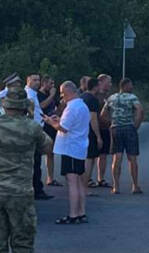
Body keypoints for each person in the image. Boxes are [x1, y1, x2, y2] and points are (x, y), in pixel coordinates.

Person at [0, 81, 52, 252]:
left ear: (4, 104)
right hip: (21, 192)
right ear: (24, 106)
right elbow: (48, 147)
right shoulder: (32, 127)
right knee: (23, 241)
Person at [0, 73, 53, 201]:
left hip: (33, 129)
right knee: (32, 162)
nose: (37, 82)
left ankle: (37, 188)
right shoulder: (13, 95)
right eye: (34, 80)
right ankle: (35, 189)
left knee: (35, 162)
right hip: (25, 132)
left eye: (38, 80)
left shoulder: (29, 93)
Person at [44, 81, 90, 224]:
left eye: (62, 92)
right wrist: (59, 120)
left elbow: (63, 128)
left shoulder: (71, 108)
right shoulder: (82, 105)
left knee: (72, 182)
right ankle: (81, 212)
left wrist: (50, 122)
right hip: (80, 147)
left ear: (69, 92)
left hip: (70, 148)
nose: (61, 95)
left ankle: (73, 214)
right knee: (79, 182)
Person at [101, 78, 144, 194]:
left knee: (117, 157)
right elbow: (140, 110)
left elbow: (103, 114)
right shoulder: (132, 98)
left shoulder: (111, 98)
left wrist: (111, 122)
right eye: (130, 85)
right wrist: (136, 125)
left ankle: (116, 187)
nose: (132, 87)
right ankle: (135, 186)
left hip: (116, 129)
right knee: (132, 158)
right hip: (129, 128)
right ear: (125, 86)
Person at [80, 78, 104, 193]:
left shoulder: (82, 96)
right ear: (95, 87)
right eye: (99, 86)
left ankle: (82, 185)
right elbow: (93, 118)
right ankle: (84, 187)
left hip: (81, 131)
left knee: (85, 159)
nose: (100, 88)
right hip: (89, 133)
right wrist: (98, 136)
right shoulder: (93, 99)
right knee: (89, 160)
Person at [37, 76, 61, 187]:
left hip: (52, 125)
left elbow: (57, 107)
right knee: (39, 152)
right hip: (43, 126)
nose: (52, 86)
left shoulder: (51, 95)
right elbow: (41, 106)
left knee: (50, 153)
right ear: (44, 83)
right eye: (50, 83)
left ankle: (50, 178)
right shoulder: (39, 95)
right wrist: (51, 95)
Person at [94, 74, 113, 188]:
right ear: (100, 82)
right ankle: (88, 178)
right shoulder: (96, 96)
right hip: (97, 127)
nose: (110, 84)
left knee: (103, 154)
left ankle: (101, 178)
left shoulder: (107, 96)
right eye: (108, 82)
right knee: (91, 155)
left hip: (105, 127)